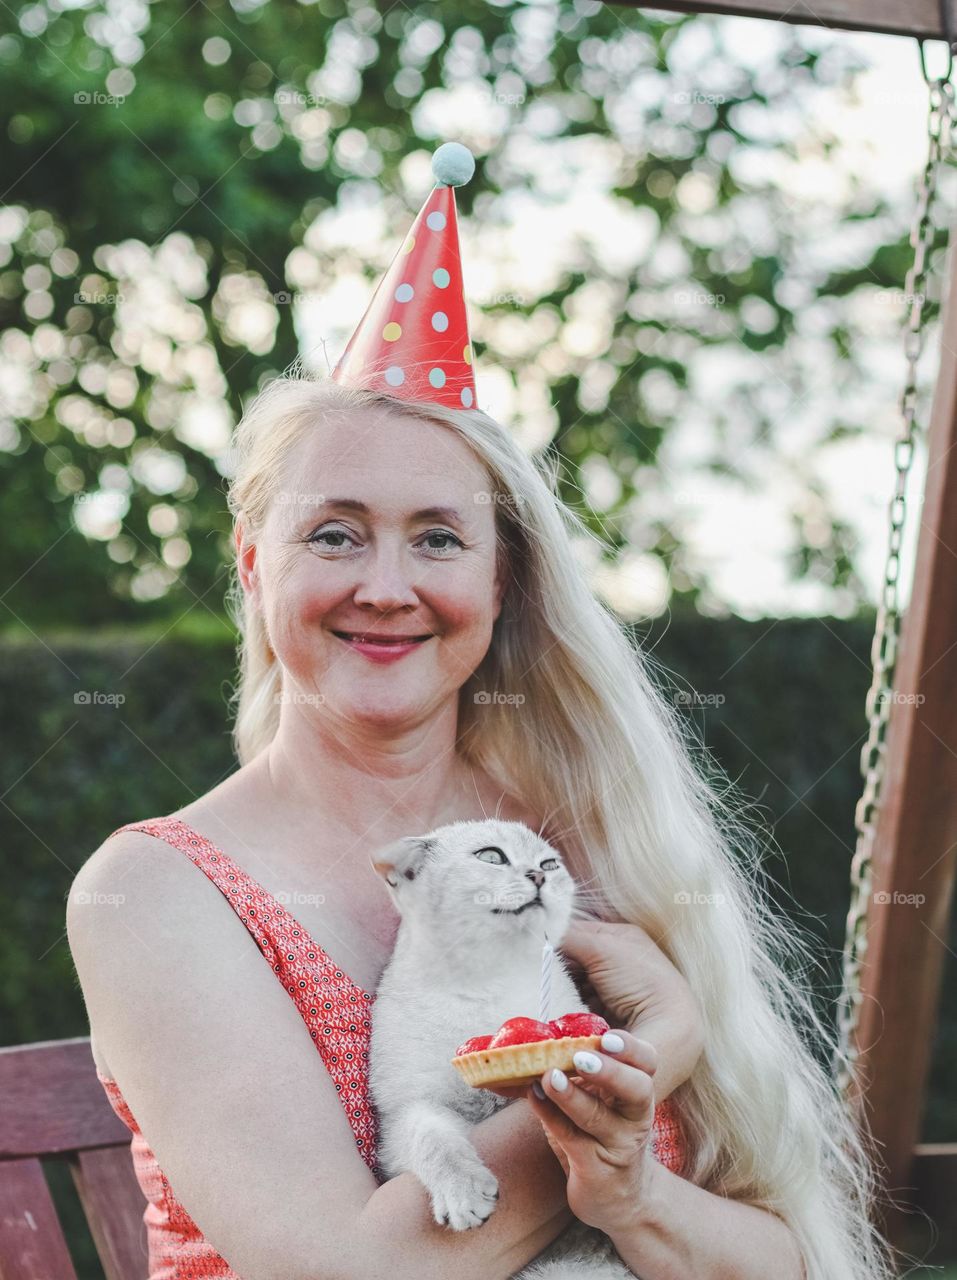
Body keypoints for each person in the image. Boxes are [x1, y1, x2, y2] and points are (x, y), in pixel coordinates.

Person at [66, 145, 895, 1280]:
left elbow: (784, 1258)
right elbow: (347, 1270)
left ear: (500, 584)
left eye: (440, 537)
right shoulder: (160, 890)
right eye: (335, 531)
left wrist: (639, 1189)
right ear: (256, 569)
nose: (388, 585)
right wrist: (641, 1050)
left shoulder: (583, 843)